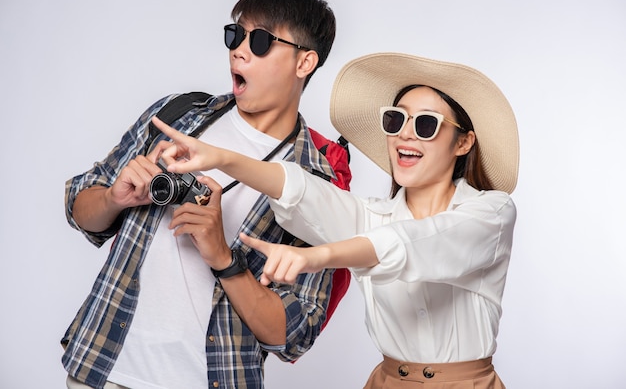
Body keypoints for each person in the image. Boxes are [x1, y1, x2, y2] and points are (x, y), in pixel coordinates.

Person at [150, 52, 520, 388]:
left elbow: (415, 241)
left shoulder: (492, 213)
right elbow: (303, 191)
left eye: (425, 124)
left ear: (463, 142)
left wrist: (314, 257)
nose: (405, 133)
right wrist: (222, 157)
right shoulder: (373, 215)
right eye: (396, 119)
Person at [61, 0, 351, 389]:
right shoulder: (177, 116)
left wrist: (222, 256)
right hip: (101, 367)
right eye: (236, 34)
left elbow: (294, 334)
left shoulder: (314, 182)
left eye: (262, 40)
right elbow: (78, 207)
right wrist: (113, 198)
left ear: (304, 63)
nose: (239, 48)